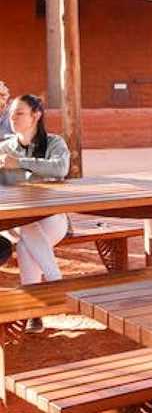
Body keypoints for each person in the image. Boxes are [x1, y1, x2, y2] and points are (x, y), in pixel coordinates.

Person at [0, 94, 71, 334]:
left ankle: (35, 313)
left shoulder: (54, 143)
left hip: (53, 219)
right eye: (11, 114)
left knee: (24, 244)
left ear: (36, 115)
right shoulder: (3, 148)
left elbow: (61, 168)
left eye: (19, 113)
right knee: (25, 227)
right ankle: (57, 284)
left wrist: (19, 163)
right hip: (18, 222)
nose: (13, 118)